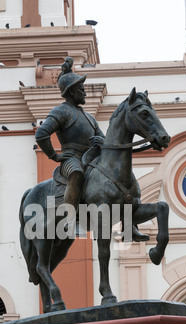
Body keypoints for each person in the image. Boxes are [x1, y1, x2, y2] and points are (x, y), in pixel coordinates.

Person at [35, 56, 149, 241]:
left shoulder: (89, 117)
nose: (85, 93)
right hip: (72, 159)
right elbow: (41, 134)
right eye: (81, 89)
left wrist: (101, 142)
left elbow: (104, 140)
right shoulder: (61, 112)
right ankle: (70, 221)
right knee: (77, 174)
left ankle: (130, 226)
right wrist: (54, 156)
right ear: (71, 92)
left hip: (92, 157)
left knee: (122, 175)